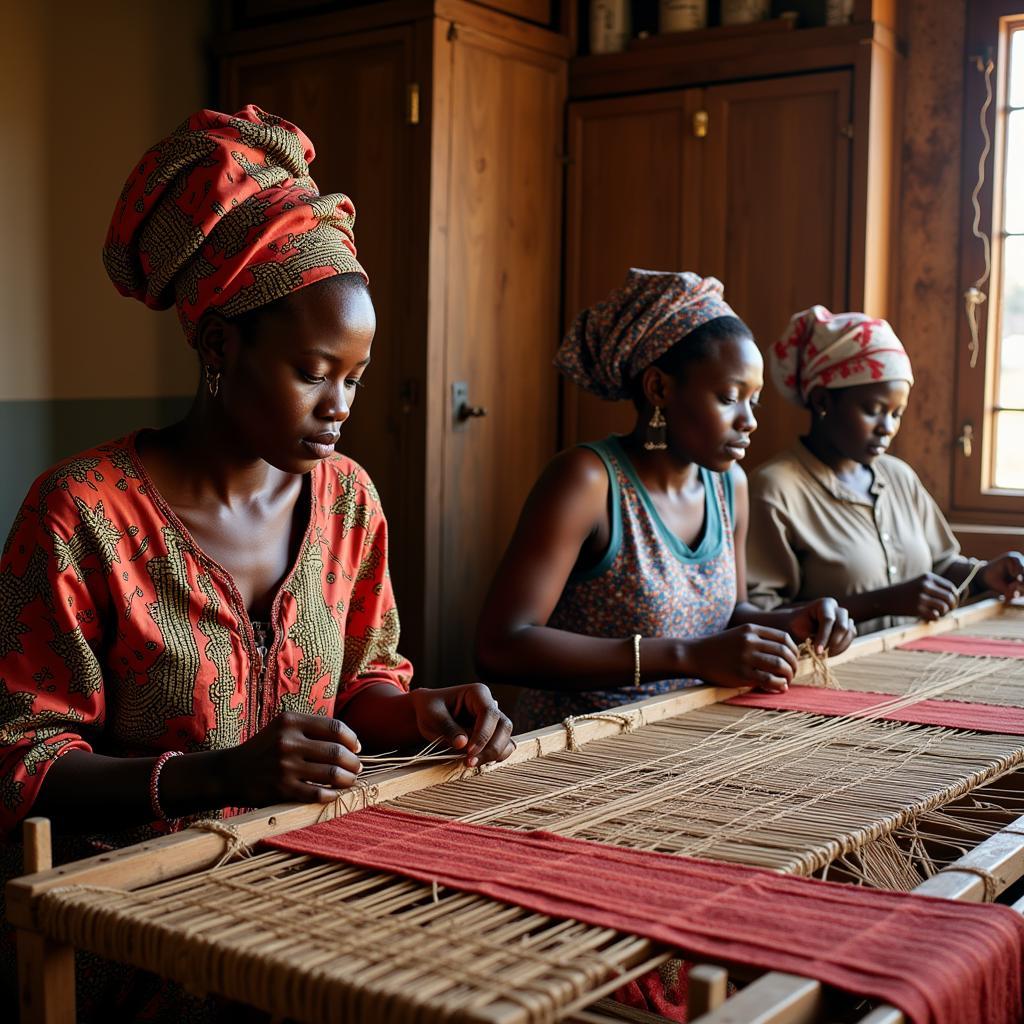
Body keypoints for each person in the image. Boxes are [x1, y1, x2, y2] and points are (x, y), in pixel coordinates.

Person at [0, 107, 514, 1018]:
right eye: (315, 371)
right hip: (133, 941)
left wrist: (423, 711)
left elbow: (361, 689)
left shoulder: (348, 500)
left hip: (310, 919)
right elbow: (21, 761)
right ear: (218, 347)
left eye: (355, 378)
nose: (340, 406)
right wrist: (216, 776)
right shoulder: (82, 513)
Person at [474, 269, 855, 736]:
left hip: (688, 733)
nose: (749, 421)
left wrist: (795, 621)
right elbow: (501, 645)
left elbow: (728, 613)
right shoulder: (589, 481)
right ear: (659, 389)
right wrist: (687, 656)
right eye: (729, 398)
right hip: (579, 745)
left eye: (755, 402)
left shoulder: (729, 484)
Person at [746, 305, 1024, 634]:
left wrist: (982, 576)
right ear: (823, 401)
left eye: (897, 413)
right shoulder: (774, 490)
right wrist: (881, 602)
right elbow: (760, 616)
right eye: (874, 410)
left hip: (915, 667)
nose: (887, 428)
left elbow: (939, 566)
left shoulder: (898, 477)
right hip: (831, 678)